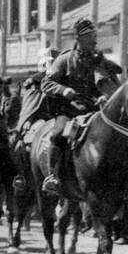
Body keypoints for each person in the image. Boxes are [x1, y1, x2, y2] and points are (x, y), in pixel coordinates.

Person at [41, 19, 122, 196]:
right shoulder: (65, 59)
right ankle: (53, 176)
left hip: (93, 109)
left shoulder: (98, 59)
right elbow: (46, 83)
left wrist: (104, 96)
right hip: (70, 111)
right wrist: (63, 90)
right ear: (79, 38)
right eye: (89, 37)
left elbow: (108, 81)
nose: (94, 40)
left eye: (94, 36)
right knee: (59, 133)